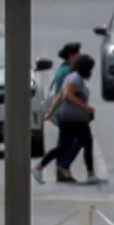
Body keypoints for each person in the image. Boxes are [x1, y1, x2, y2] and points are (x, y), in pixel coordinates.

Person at [34, 54, 102, 184]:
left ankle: (41, 168)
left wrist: (51, 112)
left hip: (72, 119)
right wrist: (86, 108)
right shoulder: (75, 78)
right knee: (82, 143)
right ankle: (90, 173)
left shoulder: (72, 78)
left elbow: (60, 96)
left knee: (70, 146)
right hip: (73, 119)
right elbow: (68, 96)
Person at [33, 43, 81, 179]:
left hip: (64, 112)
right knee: (76, 141)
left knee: (66, 143)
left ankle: (61, 170)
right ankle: (45, 167)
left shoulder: (64, 69)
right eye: (78, 54)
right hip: (66, 113)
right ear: (72, 55)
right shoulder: (67, 72)